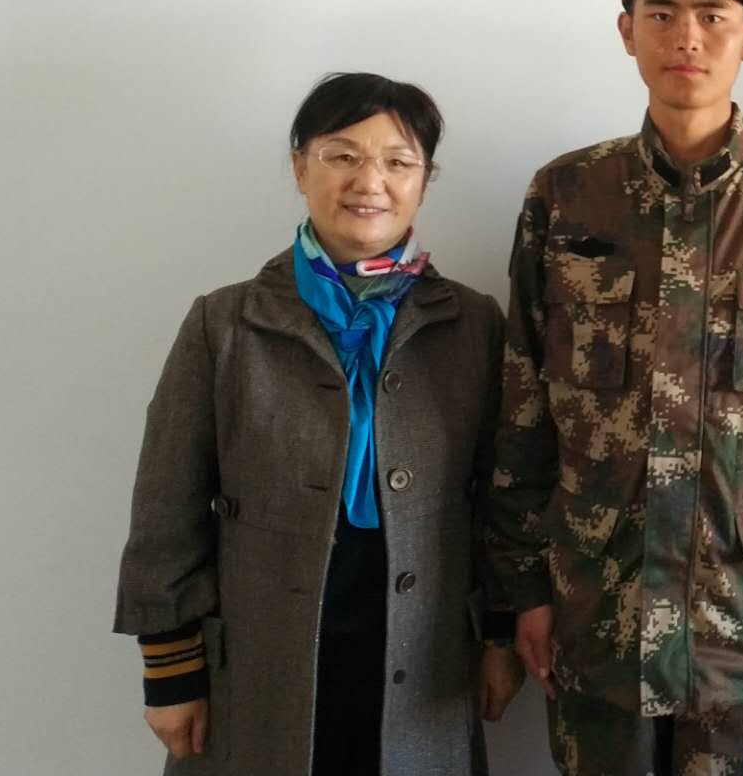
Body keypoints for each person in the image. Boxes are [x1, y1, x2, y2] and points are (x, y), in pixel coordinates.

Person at [485, 0, 743, 776]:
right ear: (627, 32)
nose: (686, 37)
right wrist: (522, 587)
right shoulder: (567, 197)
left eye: (712, 16)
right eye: (661, 13)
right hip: (596, 605)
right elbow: (523, 403)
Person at [114, 72, 522, 774]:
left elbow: (507, 502)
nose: (370, 181)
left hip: (426, 656)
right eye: (342, 156)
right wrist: (170, 671)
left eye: (397, 161)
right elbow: (166, 508)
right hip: (259, 658)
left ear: (423, 182)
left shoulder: (473, 324)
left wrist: (500, 636)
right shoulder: (225, 322)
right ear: (301, 167)